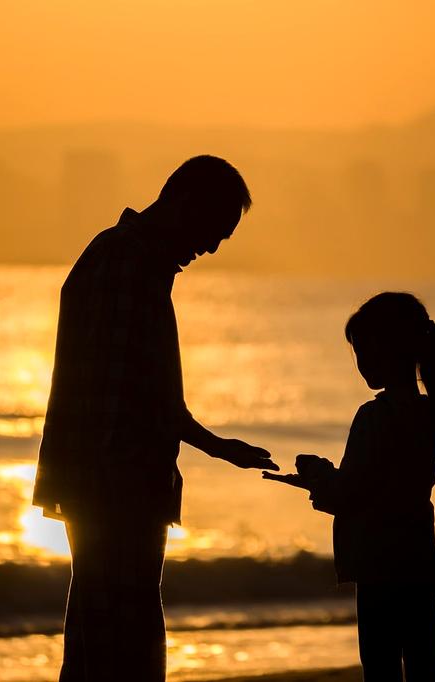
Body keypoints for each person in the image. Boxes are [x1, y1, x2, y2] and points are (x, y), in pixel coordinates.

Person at [32, 155, 279, 681]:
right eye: (214, 230)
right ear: (184, 203)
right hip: (116, 488)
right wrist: (209, 447)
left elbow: (142, 391)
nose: (210, 247)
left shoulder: (129, 261)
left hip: (115, 486)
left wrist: (212, 445)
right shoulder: (127, 264)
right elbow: (122, 398)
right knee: (117, 637)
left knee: (109, 631)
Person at [264, 292, 435, 682]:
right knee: (426, 666)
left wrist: (317, 477)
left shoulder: (374, 415)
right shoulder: (428, 413)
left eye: (361, 350)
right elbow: (386, 484)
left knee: (381, 669)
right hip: (418, 560)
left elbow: (351, 492)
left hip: (378, 563)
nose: (358, 363)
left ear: (383, 349)